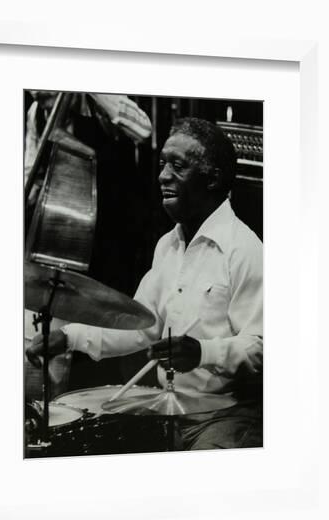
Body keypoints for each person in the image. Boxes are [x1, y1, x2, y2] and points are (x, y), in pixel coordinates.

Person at [27, 117, 263, 450]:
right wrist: (69, 337)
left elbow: (263, 347)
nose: (163, 175)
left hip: (228, 416)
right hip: (169, 408)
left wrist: (203, 352)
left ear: (212, 179)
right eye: (163, 163)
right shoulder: (168, 245)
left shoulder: (245, 249)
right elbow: (141, 327)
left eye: (177, 166)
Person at [24, 91, 152, 395]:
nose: (37, 94)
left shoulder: (99, 102)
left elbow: (143, 130)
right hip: (66, 231)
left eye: (44, 89)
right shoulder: (35, 112)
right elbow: (31, 163)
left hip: (113, 232)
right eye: (33, 90)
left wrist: (87, 87)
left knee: (106, 326)